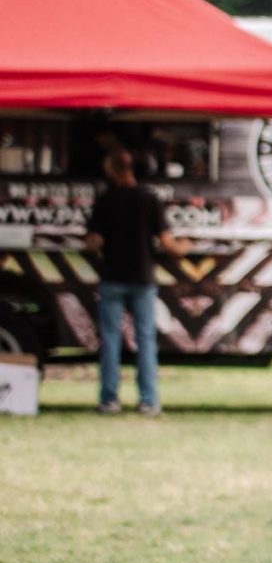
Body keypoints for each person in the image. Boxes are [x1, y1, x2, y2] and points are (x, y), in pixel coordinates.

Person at [84, 147, 190, 415]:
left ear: (111, 170)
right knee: (145, 340)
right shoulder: (149, 198)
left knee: (110, 340)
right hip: (142, 277)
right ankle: (149, 401)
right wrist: (184, 247)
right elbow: (168, 243)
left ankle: (109, 400)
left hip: (112, 277)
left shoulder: (105, 199)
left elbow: (93, 241)